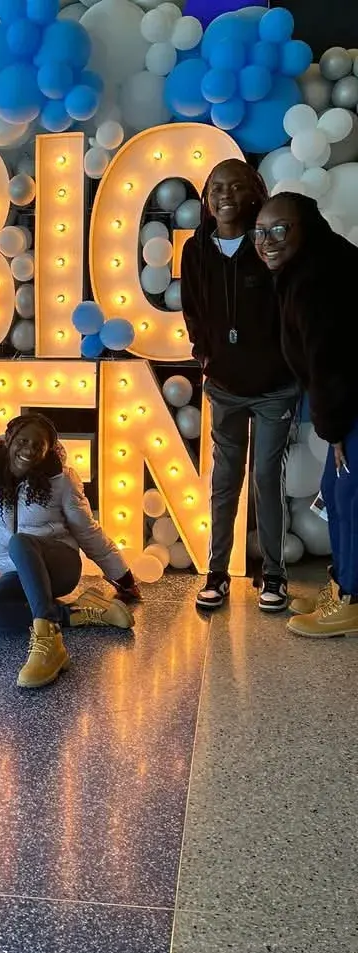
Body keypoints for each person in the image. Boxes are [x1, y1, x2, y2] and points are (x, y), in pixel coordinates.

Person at [181, 159, 300, 614]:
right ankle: (217, 573)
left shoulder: (268, 243)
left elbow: (292, 308)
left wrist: (289, 362)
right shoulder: (196, 249)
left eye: (234, 186)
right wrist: (205, 355)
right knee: (225, 480)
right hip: (224, 387)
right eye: (216, 188)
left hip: (274, 389)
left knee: (266, 478)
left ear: (253, 192)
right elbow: (192, 309)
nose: (224, 195)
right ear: (206, 198)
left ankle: (274, 575)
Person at [0, 414, 141, 689]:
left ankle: (49, 641)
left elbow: (87, 530)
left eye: (38, 445)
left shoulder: (61, 479)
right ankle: (81, 612)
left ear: (48, 450)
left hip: (59, 565)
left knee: (19, 542)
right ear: (9, 440)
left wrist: (123, 577)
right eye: (23, 441)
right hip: (18, 571)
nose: (29, 449)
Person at [253, 192, 358, 639]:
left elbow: (330, 361)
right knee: (335, 491)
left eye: (280, 229)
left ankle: (351, 599)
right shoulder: (310, 265)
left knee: (349, 496)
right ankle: (342, 586)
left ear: (307, 227)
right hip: (348, 400)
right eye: (260, 232)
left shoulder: (317, 278)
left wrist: (333, 431)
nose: (267, 241)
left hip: (352, 400)